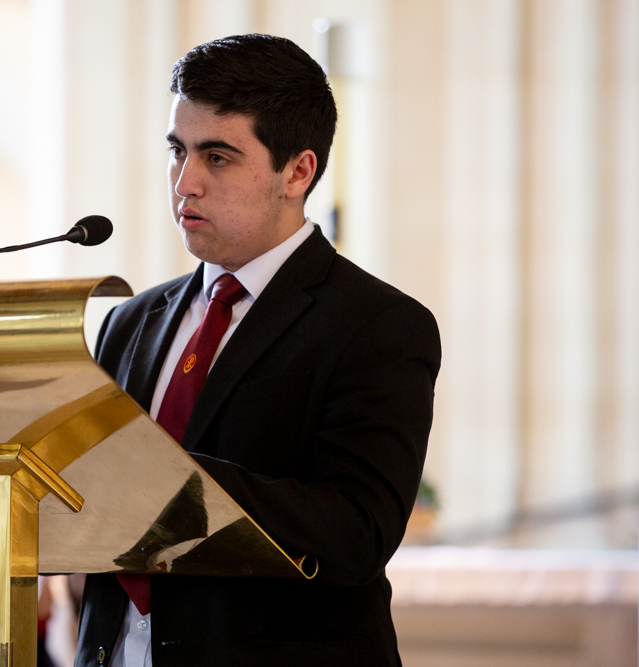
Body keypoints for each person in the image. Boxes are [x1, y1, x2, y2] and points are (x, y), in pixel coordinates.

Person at [74, 34, 441, 666]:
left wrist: (165, 481)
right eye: (177, 151)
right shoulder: (129, 322)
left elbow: (358, 532)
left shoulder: (380, 325)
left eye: (217, 157)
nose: (185, 182)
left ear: (298, 171)